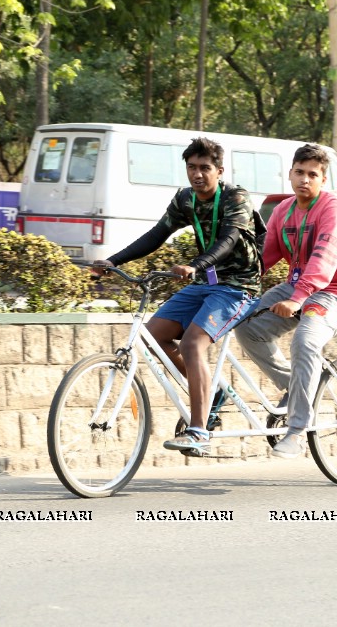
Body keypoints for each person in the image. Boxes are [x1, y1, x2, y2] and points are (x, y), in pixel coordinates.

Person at [92, 137, 261, 457]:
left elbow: (227, 240)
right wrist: (113, 260)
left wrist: (195, 265)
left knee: (193, 343)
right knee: (152, 337)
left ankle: (199, 430)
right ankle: (214, 394)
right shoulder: (185, 200)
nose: (197, 174)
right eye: (192, 167)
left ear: (219, 170)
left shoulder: (236, 198)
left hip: (239, 286)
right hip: (204, 282)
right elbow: (157, 235)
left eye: (205, 168)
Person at [235, 143, 337, 458]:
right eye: (299, 172)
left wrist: (298, 298)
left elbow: (324, 257)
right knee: (245, 326)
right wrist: (222, 280)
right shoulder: (283, 211)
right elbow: (261, 260)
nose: (304, 179)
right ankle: (297, 387)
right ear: (290, 173)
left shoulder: (333, 208)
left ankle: (297, 429)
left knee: (305, 341)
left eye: (313, 174)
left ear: (323, 179)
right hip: (296, 289)